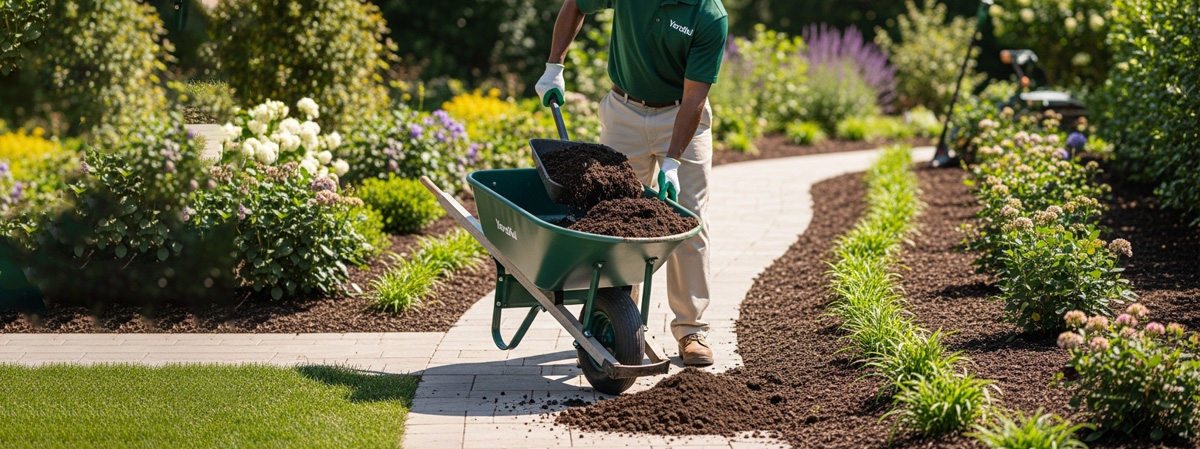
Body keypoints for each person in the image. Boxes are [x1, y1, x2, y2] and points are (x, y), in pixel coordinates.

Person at [536, 0, 728, 366]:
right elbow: (577, 4)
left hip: (681, 113)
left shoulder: (708, 14)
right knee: (613, 217)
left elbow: (695, 99)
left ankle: (691, 329)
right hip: (623, 110)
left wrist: (673, 160)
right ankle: (613, 320)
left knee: (689, 220)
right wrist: (553, 67)